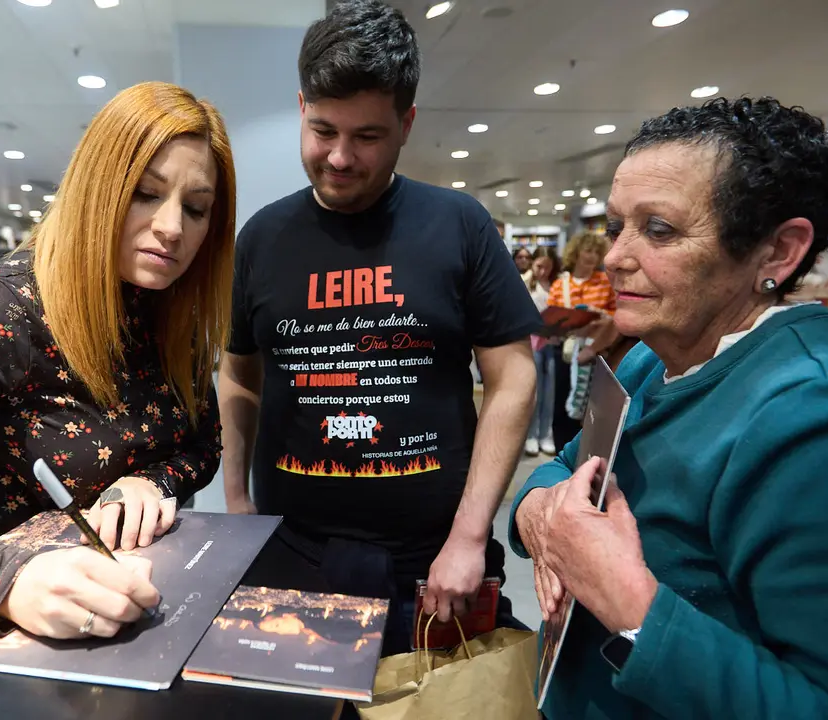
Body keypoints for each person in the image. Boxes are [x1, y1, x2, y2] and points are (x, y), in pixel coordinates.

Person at [510, 96, 828, 719]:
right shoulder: (652, 354)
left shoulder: (824, 425)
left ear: (778, 252)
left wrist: (628, 603)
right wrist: (541, 517)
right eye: (617, 226)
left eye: (660, 230)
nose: (616, 256)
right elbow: (564, 466)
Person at [0, 81, 237, 641]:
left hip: (155, 600)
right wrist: (10, 580)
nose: (173, 227)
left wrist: (151, 482)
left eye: (196, 208)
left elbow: (202, 445)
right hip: (28, 634)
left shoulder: (172, 307)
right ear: (96, 190)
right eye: (145, 194)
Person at [220, 0, 540, 657]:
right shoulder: (261, 238)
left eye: (367, 136)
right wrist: (235, 501)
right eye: (322, 130)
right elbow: (239, 372)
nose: (340, 156)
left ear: (406, 124)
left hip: (432, 564)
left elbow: (513, 377)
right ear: (302, 107)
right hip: (292, 554)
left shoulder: (459, 225)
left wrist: (470, 535)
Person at [547, 232, 619, 448]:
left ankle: (584, 449)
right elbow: (550, 320)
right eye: (588, 250)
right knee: (562, 402)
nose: (592, 256)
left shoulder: (605, 282)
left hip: (597, 351)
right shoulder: (560, 284)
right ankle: (562, 450)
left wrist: (600, 316)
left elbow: (617, 315)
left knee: (591, 405)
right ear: (576, 252)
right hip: (566, 350)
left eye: (597, 252)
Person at [525, 247, 560, 456]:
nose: (543, 271)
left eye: (548, 267)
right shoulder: (525, 282)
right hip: (532, 342)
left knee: (550, 392)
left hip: (553, 342)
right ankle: (531, 434)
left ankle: (546, 434)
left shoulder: (557, 284)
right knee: (535, 391)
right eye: (539, 266)